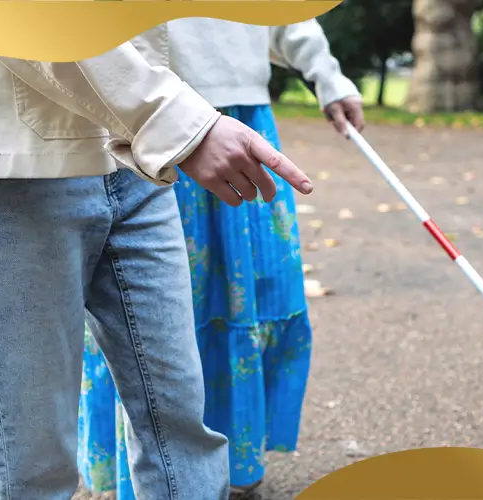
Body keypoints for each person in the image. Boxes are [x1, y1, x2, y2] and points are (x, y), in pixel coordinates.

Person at [0, 28, 316, 500]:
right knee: (26, 465)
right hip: (0, 162)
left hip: (131, 155)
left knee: (181, 432)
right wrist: (173, 119)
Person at [77, 18, 364, 499]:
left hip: (242, 115)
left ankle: (233, 459)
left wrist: (326, 72)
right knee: (149, 313)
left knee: (250, 292)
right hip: (147, 114)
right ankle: (145, 471)